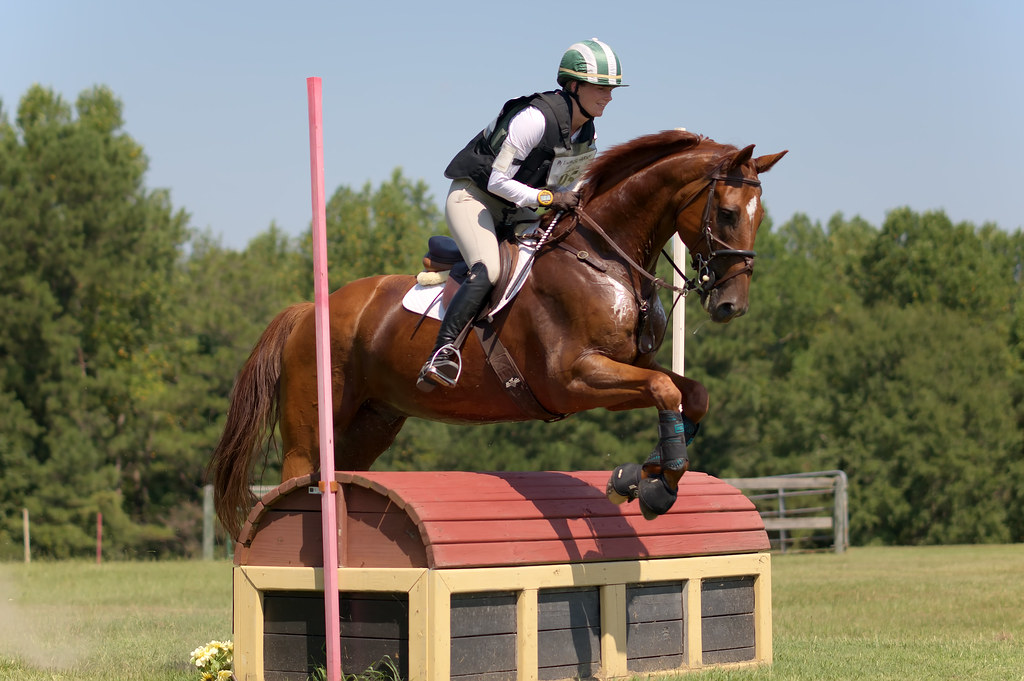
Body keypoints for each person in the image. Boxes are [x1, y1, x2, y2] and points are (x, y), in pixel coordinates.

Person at [417, 38, 626, 391]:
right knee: (489, 269)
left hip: (519, 210)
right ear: (574, 86)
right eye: (600, 87)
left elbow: (566, 186)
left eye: (611, 89)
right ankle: (442, 352)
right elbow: (498, 181)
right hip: (475, 198)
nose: (608, 96)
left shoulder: (588, 135)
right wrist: (548, 197)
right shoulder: (534, 119)